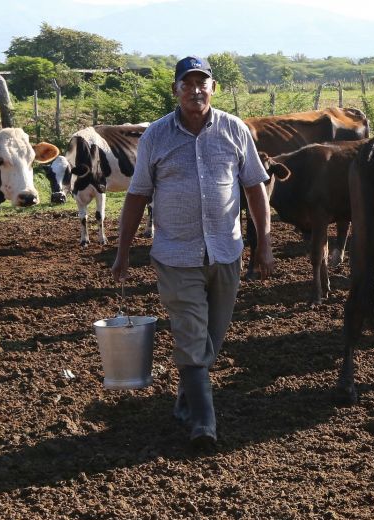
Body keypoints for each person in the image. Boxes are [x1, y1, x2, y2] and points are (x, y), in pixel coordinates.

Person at [111, 56, 274, 449]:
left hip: (225, 252)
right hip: (175, 255)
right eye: (188, 83)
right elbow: (137, 195)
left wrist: (264, 245)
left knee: (211, 340)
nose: (196, 90)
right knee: (190, 335)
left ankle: (186, 401)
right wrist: (122, 251)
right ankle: (204, 423)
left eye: (203, 83)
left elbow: (254, 187)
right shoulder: (156, 136)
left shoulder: (234, 130)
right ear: (176, 90)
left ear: (213, 89)